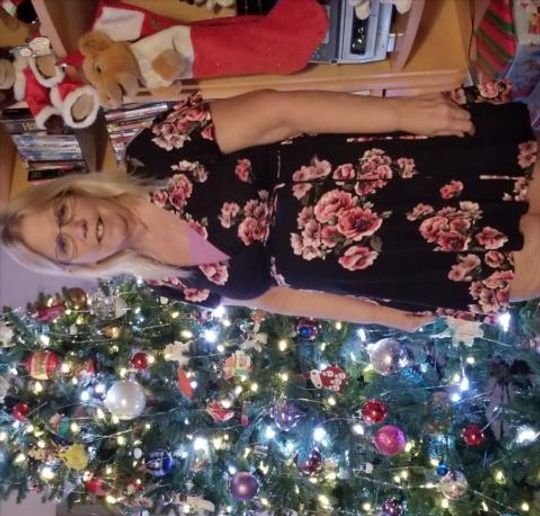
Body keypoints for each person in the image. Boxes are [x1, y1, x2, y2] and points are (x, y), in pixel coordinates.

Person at [1, 85, 538, 331]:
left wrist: (401, 114)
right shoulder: (165, 281)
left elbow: (281, 112)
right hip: (401, 266)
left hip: (400, 177)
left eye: (63, 212)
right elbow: (275, 296)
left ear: (73, 191)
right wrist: (380, 315)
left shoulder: (156, 152)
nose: (80, 228)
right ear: (77, 265)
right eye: (63, 244)